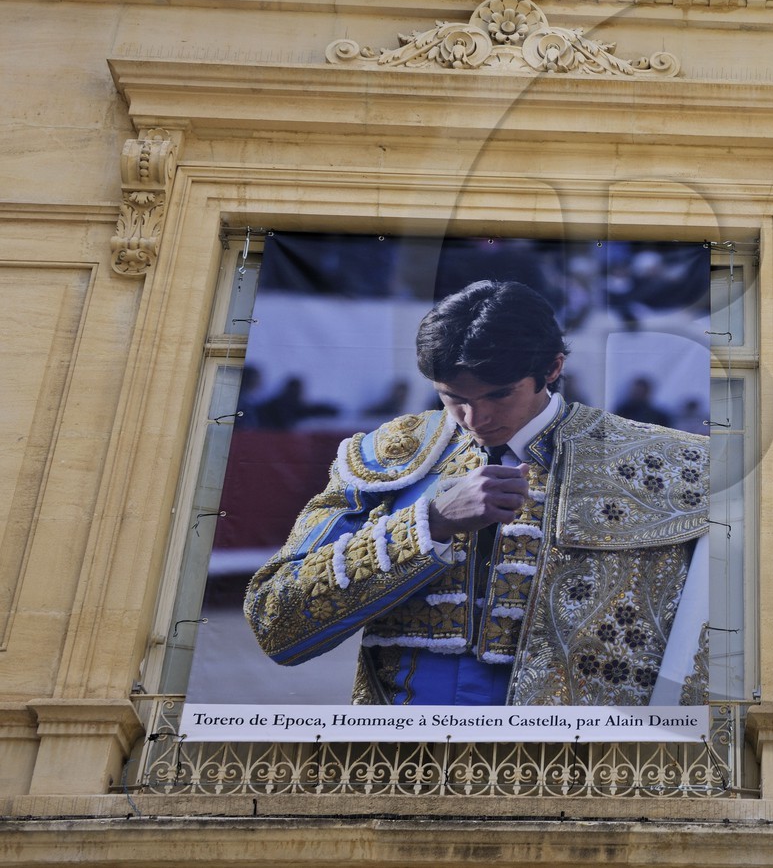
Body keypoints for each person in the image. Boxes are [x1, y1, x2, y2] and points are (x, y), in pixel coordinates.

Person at [244, 280, 710, 707]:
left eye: (499, 395)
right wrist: (429, 524)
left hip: (576, 763)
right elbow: (276, 621)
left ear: (552, 368)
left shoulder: (670, 465)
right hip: (406, 754)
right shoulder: (385, 456)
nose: (474, 418)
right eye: (452, 397)